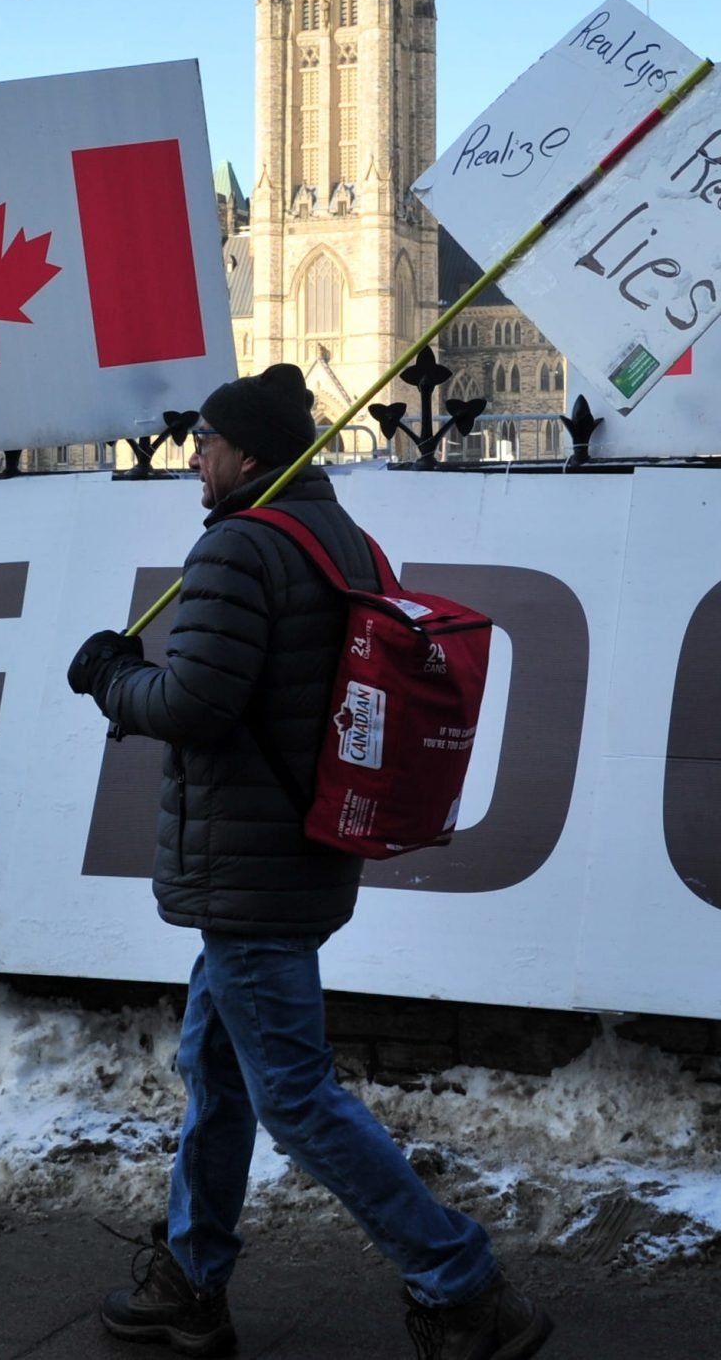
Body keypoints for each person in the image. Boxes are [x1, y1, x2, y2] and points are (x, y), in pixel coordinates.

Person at [66, 364, 551, 1360]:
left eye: (206, 439)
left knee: (290, 1094)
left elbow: (197, 704)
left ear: (247, 452)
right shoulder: (341, 535)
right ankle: (189, 1277)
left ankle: (460, 1284)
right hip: (299, 845)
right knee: (216, 1067)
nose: (193, 455)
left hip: (249, 866)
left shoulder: (240, 545)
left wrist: (113, 676)